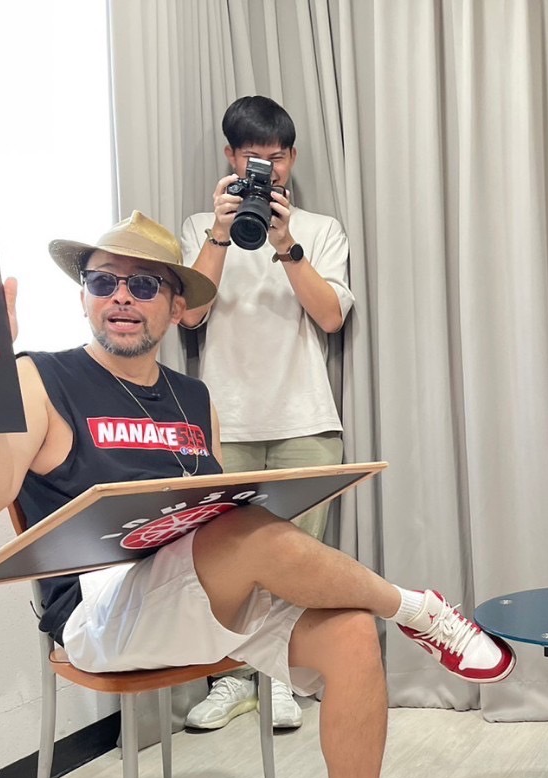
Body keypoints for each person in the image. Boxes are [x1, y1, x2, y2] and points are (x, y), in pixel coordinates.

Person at [0, 212, 515, 778]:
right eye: (103, 281)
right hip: (101, 612)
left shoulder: (194, 398)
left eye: (143, 285)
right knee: (239, 528)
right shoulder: (37, 377)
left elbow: (213, 511)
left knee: (350, 629)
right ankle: (419, 610)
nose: (121, 297)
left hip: (196, 591)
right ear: (84, 295)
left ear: (176, 306)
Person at [178, 95, 355, 731]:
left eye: (275, 159)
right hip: (224, 423)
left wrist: (286, 244)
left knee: (298, 562)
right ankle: (231, 678)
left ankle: (279, 678)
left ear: (292, 159)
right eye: (252, 158)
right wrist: (220, 234)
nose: (265, 171)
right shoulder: (199, 225)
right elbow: (188, 315)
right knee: (222, 562)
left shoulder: (320, 228)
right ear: (230, 157)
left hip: (305, 420)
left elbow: (330, 317)